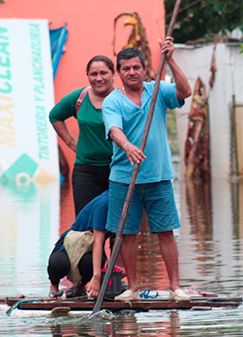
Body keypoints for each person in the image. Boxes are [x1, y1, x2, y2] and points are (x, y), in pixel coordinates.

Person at [102, 37, 192, 301]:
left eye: (136, 68)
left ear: (144, 69)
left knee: (166, 231)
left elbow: (185, 92)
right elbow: (114, 129)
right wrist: (128, 146)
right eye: (126, 69)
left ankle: (175, 287)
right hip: (123, 177)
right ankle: (132, 288)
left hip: (159, 176)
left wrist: (172, 59)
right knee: (126, 234)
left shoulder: (158, 91)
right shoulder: (113, 101)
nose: (132, 72)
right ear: (119, 73)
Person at [49, 55, 115, 216]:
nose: (98, 78)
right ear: (87, 76)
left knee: (117, 226)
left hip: (117, 170)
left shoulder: (122, 99)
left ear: (113, 74)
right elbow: (55, 116)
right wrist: (71, 142)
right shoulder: (80, 98)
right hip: (86, 171)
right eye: (93, 74)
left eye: (103, 73)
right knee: (85, 224)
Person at [47, 190, 109, 298]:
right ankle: (54, 287)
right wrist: (96, 277)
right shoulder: (103, 204)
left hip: (89, 251)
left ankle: (82, 287)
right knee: (59, 263)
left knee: (89, 263)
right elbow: (98, 242)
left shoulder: (124, 205)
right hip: (69, 246)